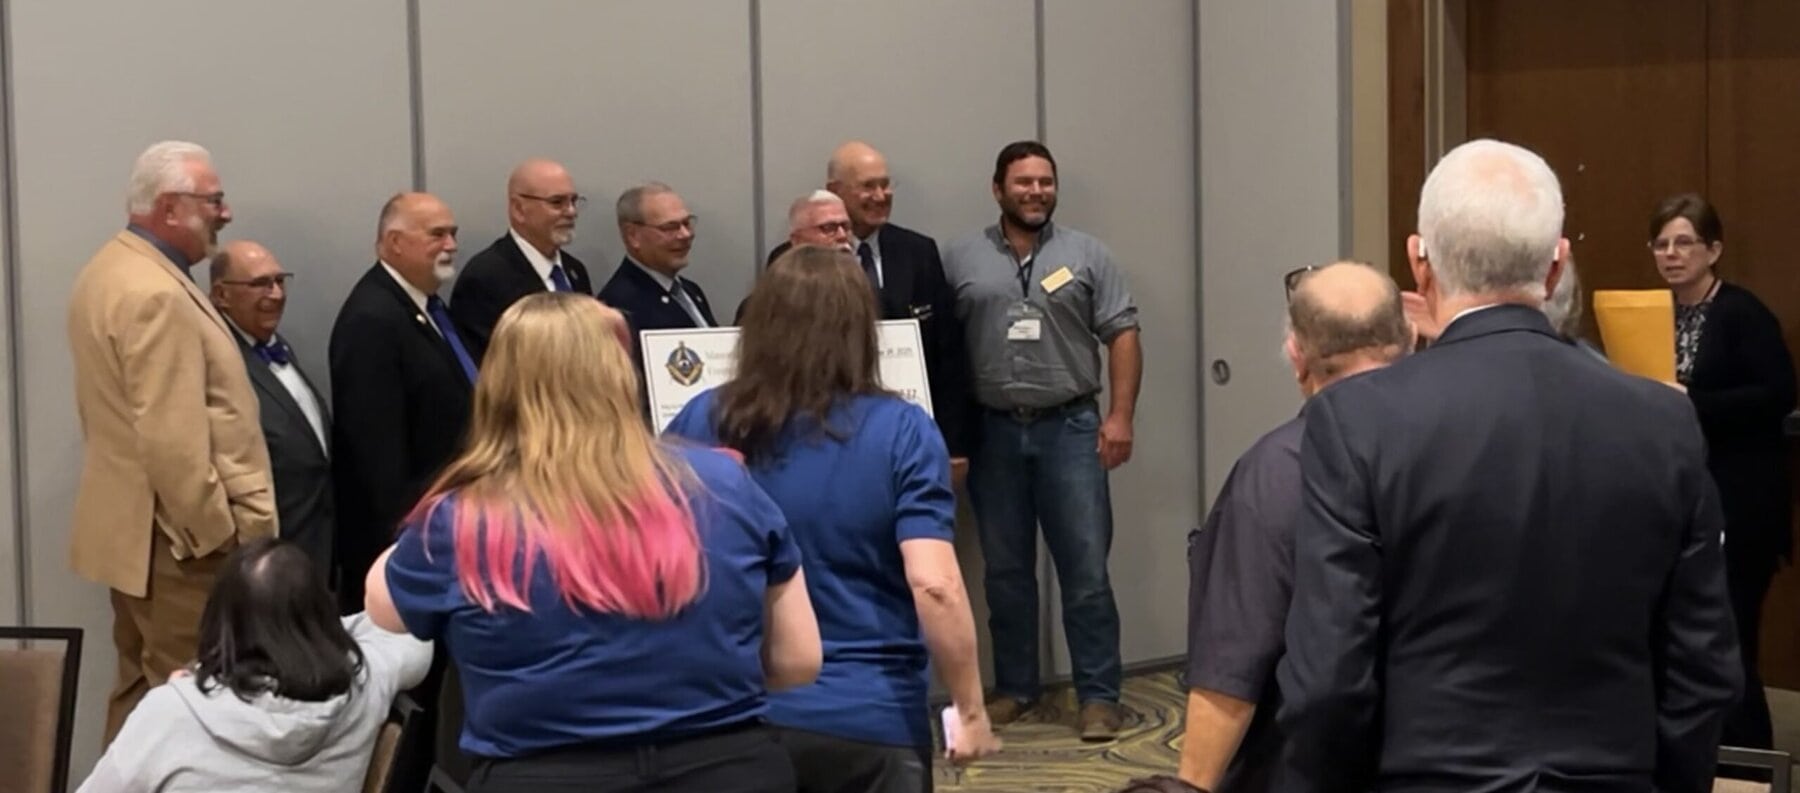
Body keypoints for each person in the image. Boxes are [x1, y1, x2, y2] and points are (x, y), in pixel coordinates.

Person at [1277, 139, 1742, 793]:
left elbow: (1328, 677)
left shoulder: (1357, 419)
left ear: (1420, 263)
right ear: (1557, 266)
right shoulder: (1664, 423)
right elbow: (1703, 668)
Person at [366, 293, 822, 793]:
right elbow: (799, 659)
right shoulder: (725, 484)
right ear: (620, 376)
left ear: (497, 387)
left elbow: (384, 609)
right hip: (729, 768)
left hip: (540, 775)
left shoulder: (460, 521)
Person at [666, 245, 1000, 792]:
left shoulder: (704, 416)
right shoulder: (904, 430)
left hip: (734, 713)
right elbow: (934, 583)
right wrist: (968, 707)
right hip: (869, 716)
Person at [66, 140, 277, 741]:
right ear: (168, 208)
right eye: (213, 200)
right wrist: (217, 539)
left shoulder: (109, 269)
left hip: (134, 542)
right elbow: (173, 439)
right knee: (193, 715)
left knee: (139, 701)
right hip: (179, 550)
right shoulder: (156, 292)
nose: (226, 213)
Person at [1177, 261, 1410, 793]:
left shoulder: (1277, 472)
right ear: (1409, 338)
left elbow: (1231, 668)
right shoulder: (1452, 448)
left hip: (1303, 766)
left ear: (1296, 356)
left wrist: (1189, 785)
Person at [942, 140, 1141, 739]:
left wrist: (1121, 417)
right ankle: (1018, 688)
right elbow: (942, 350)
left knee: (1085, 572)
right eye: (1023, 182)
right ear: (998, 188)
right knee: (1005, 572)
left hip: (1072, 429)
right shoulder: (959, 258)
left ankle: (1099, 696)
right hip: (992, 432)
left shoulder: (1088, 255)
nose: (1036, 192)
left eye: (1045, 182)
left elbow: (1123, 335)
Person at [77, 538, 433, 792]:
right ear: (322, 611)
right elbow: (410, 627)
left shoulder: (172, 714)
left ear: (221, 621)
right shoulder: (364, 684)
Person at [1649, 192, 1796, 750]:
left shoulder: (1742, 312)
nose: (1671, 254)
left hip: (1741, 499)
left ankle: (1752, 763)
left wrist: (1692, 401)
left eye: (1684, 242)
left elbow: (1779, 394)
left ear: (1714, 250)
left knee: (1731, 636)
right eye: (1661, 244)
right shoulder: (1655, 312)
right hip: (1677, 497)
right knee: (1685, 641)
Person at [760, 142, 974, 461]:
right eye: (867, 186)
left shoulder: (918, 252)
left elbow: (947, 356)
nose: (880, 195)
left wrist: (953, 444)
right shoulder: (791, 259)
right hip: (819, 431)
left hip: (905, 428)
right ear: (835, 190)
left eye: (885, 185)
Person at [329, 192, 476, 613]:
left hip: (445, 523)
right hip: (408, 544)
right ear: (394, 243)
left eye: (453, 234)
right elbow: (376, 455)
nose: (450, 245)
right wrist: (407, 546)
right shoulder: (372, 320)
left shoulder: (426, 306)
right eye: (437, 234)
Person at [211, 240, 335, 582]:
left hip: (315, 539)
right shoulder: (221, 363)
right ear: (221, 295)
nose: (277, 294)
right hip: (268, 550)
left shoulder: (278, 347)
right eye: (261, 284)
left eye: (280, 281)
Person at [450, 159, 596, 359]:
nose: (571, 212)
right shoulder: (485, 278)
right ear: (519, 209)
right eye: (557, 202)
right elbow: (488, 366)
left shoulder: (575, 271)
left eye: (573, 201)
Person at [595, 182, 716, 365]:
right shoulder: (618, 306)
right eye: (670, 228)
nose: (684, 235)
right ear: (632, 235)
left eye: (687, 223)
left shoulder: (692, 291)